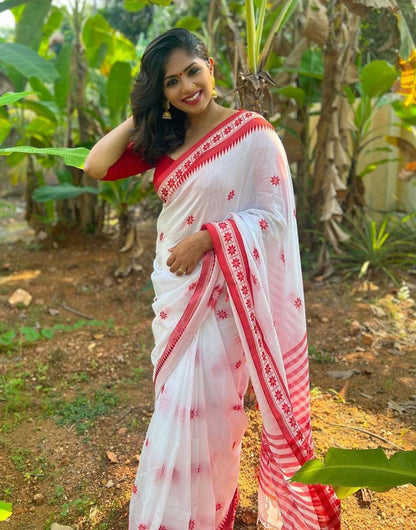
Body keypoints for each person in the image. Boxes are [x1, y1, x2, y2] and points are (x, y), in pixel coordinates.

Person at [84, 28, 341, 530]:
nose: (187, 88)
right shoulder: (166, 138)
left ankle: (206, 512)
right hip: (178, 297)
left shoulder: (255, 134)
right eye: (172, 82)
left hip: (225, 298)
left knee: (211, 411)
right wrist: (145, 111)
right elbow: (97, 164)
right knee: (177, 409)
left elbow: (275, 219)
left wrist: (209, 237)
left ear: (212, 68)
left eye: (192, 72)